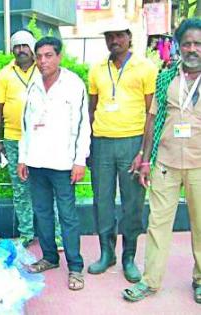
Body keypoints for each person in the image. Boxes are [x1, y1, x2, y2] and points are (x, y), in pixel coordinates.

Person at [123, 18, 201, 304]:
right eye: (188, 43)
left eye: (198, 44)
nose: (193, 49)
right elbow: (153, 118)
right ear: (179, 47)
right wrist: (145, 157)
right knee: (157, 224)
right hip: (166, 162)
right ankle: (150, 281)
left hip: (200, 164)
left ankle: (200, 279)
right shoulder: (166, 77)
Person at [87, 20, 158, 283]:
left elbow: (152, 114)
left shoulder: (146, 68)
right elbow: (91, 109)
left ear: (129, 37)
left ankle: (128, 256)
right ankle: (107, 254)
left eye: (119, 35)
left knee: (132, 203)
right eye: (109, 36)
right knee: (102, 202)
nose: (113, 40)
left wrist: (145, 152)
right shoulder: (96, 69)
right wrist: (89, 145)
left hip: (132, 143)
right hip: (102, 142)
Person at [17, 36, 90, 290]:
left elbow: (83, 126)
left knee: (67, 215)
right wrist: (22, 158)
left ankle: (76, 267)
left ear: (59, 57)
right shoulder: (33, 83)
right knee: (42, 213)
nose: (43, 61)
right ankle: (49, 257)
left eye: (48, 55)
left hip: (63, 162)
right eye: (39, 56)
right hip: (36, 161)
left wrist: (80, 161)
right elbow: (25, 125)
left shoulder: (73, 84)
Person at [0, 29, 63, 249]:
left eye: (25, 45)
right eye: (17, 46)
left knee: (48, 187)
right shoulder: (4, 74)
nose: (21, 50)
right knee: (21, 190)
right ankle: (26, 233)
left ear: (33, 49)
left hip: (42, 140)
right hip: (13, 140)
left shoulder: (44, 71)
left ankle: (56, 234)